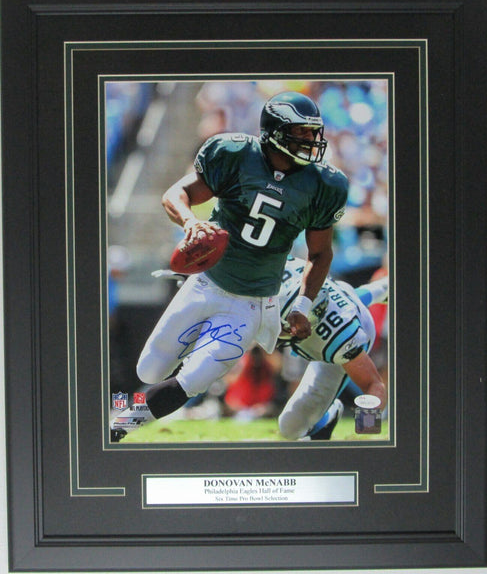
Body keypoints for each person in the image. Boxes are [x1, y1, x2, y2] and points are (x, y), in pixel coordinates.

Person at [111, 91, 348, 440]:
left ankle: (117, 427)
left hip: (252, 304)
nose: (310, 140)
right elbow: (175, 195)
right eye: (300, 132)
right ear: (274, 131)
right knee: (149, 369)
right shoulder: (236, 155)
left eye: (313, 132)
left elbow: (321, 253)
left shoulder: (323, 184)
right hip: (206, 283)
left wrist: (302, 305)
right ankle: (119, 416)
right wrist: (191, 222)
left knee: (193, 380)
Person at [276, 255, 388, 441]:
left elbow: (373, 384)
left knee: (290, 428)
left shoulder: (339, 336)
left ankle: (329, 413)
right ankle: (383, 288)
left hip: (343, 328)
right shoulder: (282, 270)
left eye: (286, 325)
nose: (277, 329)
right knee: (355, 293)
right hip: (337, 293)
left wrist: (366, 430)